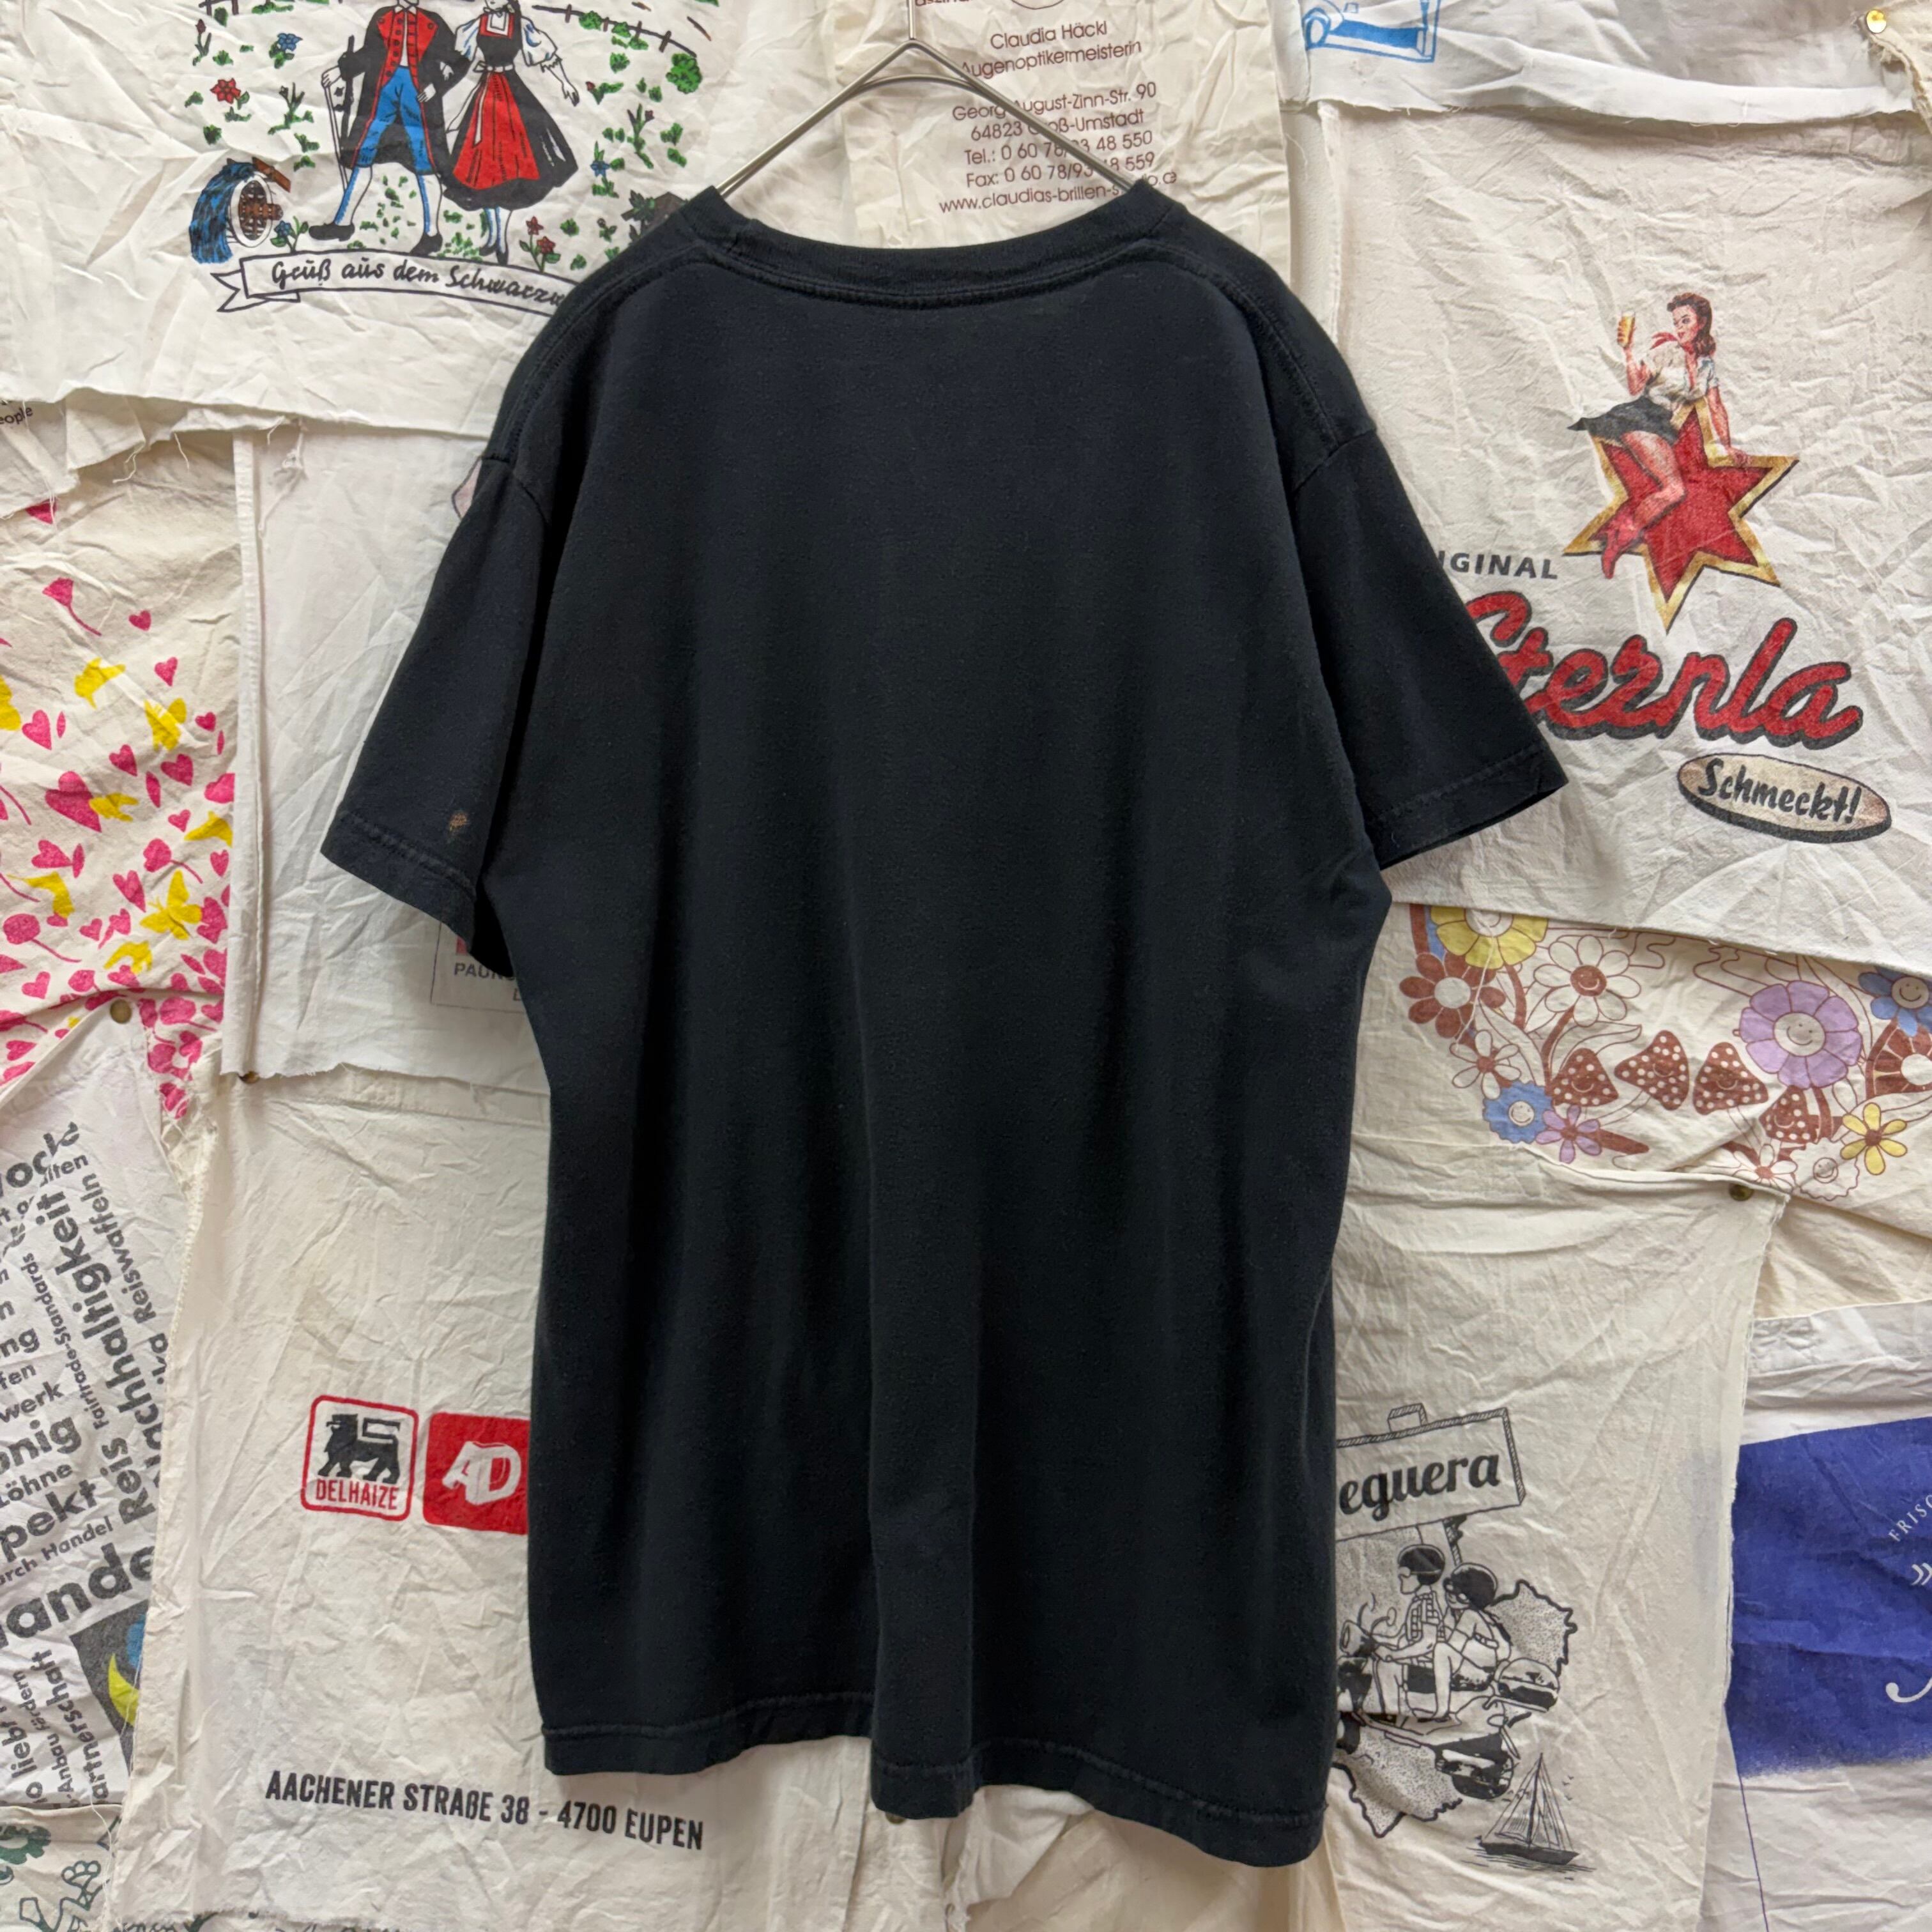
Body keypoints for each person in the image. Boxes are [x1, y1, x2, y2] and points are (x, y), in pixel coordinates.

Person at [1571, 293, 1745, 576]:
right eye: (1676, 322)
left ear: (1701, 323)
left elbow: (1716, 406)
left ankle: (1620, 535)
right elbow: (1635, 386)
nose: (1680, 328)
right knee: (1674, 490)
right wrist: (1628, 352)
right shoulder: (1665, 352)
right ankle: (1618, 541)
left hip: (1663, 426)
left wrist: (1728, 446)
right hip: (1640, 417)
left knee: (1675, 491)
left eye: (1685, 321)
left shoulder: (1707, 366)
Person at [310, 1, 468, 257]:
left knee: (425, 160)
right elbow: (369, 54)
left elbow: (460, 61)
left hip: (419, 97)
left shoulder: (434, 22)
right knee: (363, 152)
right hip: (381, 92)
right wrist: (342, 70)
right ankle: (342, 223)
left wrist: (437, 87)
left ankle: (432, 235)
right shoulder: (382, 17)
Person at [444, 3, 581, 264]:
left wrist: (565, 83)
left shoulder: (520, 26)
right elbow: (459, 57)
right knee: (481, 167)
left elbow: (545, 56)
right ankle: (492, 235)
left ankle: (501, 237)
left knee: (510, 166)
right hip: (486, 95)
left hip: (512, 95)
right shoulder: (478, 24)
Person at [1417, 1563, 1512, 1721]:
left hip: (1481, 1675)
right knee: (1440, 1651)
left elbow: (1453, 1646)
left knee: (1441, 1650)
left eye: (1460, 1594)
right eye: (1450, 1589)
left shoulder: (1470, 1615)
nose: (1452, 1596)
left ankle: (1442, 1710)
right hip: (1471, 1668)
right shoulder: (1455, 1613)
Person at [1368, 1542, 1448, 1717]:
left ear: (1421, 1576)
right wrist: (1375, 1640)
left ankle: (1390, 1712)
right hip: (1416, 1666)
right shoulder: (1417, 1603)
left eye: (1404, 1576)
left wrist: (1394, 1655)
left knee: (1386, 1667)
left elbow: (1428, 1644)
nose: (1401, 1581)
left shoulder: (1427, 1605)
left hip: (1429, 1671)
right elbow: (1401, 1639)